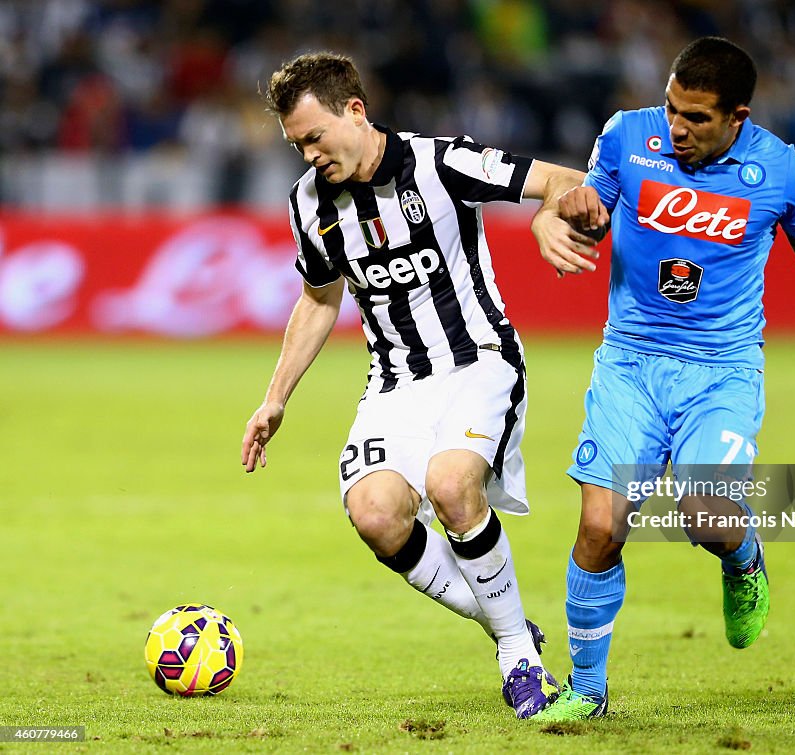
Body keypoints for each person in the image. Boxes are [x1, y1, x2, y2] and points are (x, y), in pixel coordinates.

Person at [529, 36, 795, 721]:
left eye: (697, 118)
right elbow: (581, 199)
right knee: (600, 524)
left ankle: (743, 558)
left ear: (738, 115)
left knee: (703, 514)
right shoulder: (628, 136)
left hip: (723, 370)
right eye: (673, 109)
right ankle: (587, 691)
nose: (677, 128)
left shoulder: (783, 171)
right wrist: (568, 217)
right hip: (631, 360)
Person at [240, 52, 596, 719]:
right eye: (296, 145)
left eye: (314, 137)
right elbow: (320, 299)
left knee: (452, 485)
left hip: (478, 359)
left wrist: (551, 212)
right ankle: (507, 624)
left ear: (354, 110)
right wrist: (275, 396)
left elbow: (563, 180)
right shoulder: (308, 204)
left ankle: (519, 656)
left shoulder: (443, 163)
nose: (308, 155)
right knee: (374, 513)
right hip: (396, 382)